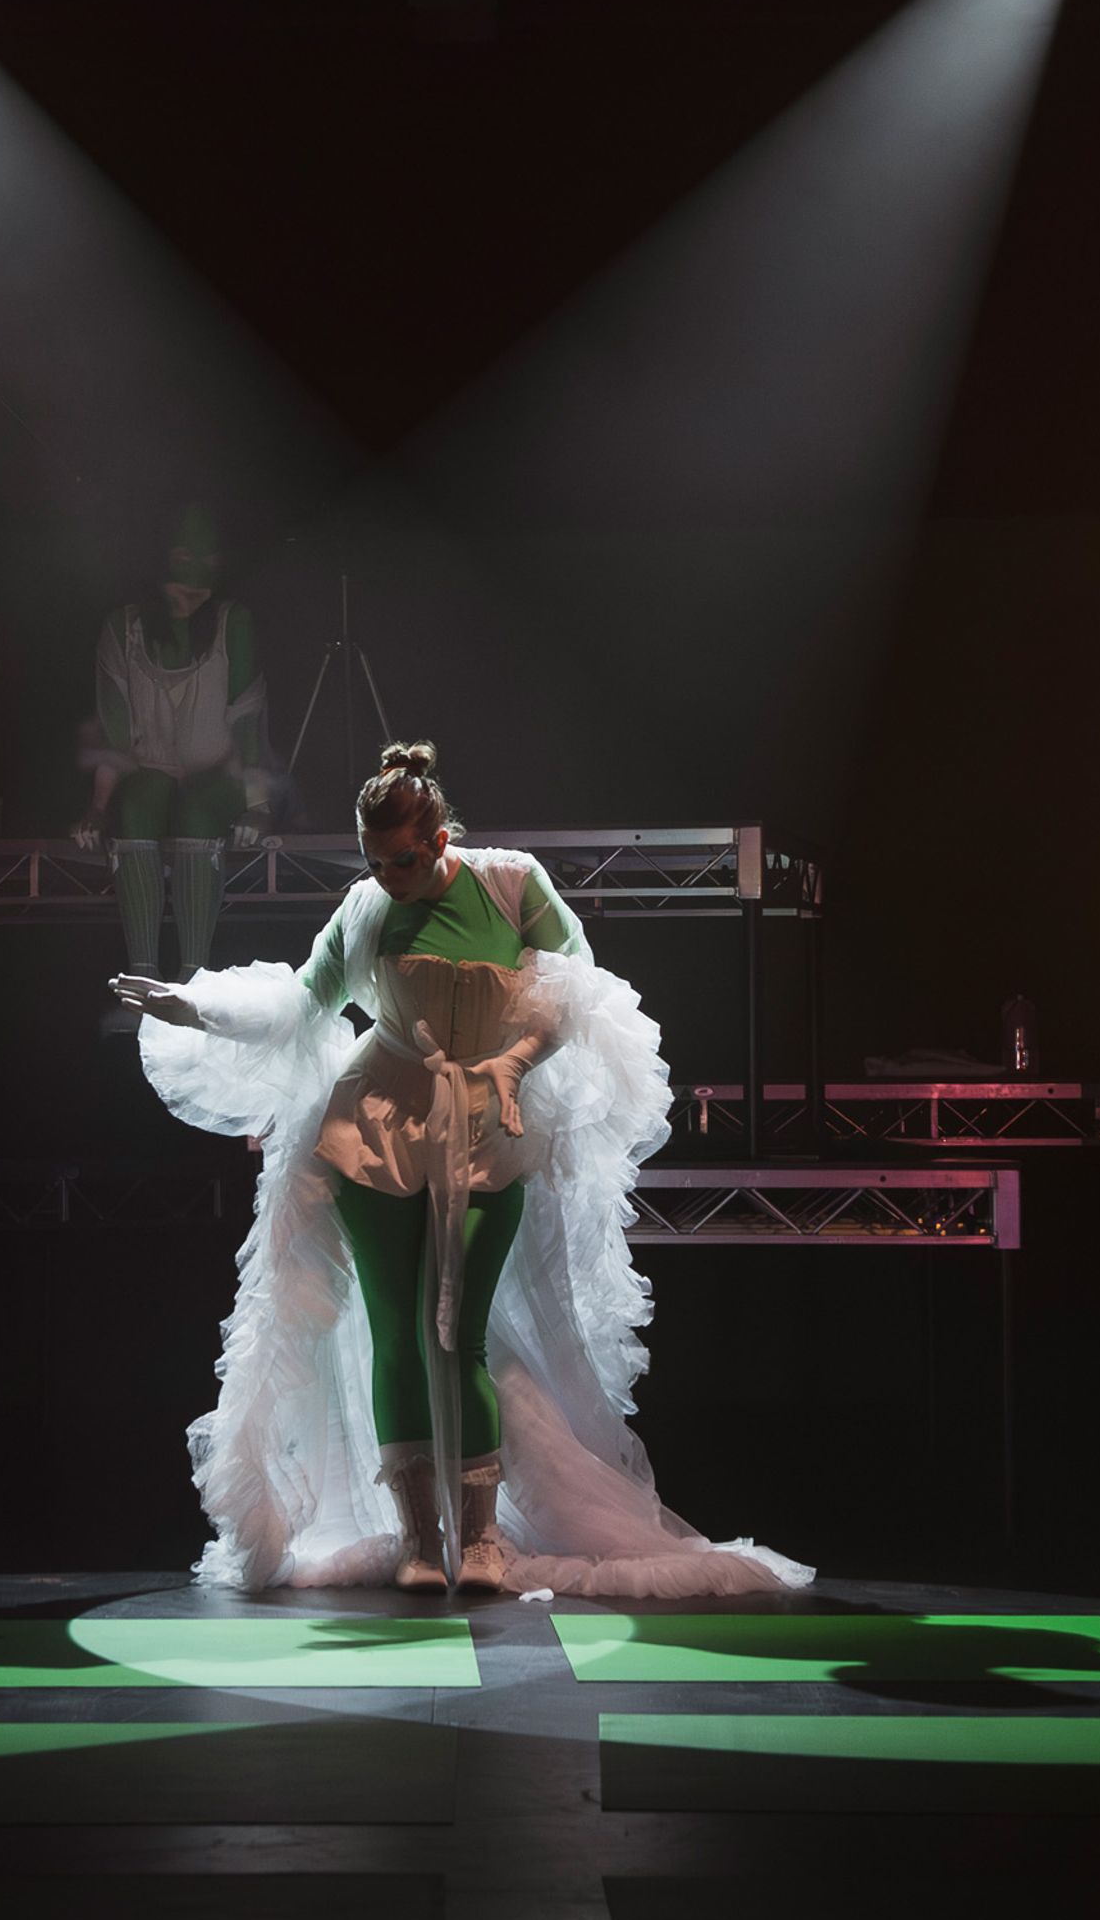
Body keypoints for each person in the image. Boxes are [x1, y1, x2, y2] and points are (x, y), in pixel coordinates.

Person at [111, 740, 808, 1600]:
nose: (388, 876)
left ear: (440, 837)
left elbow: (578, 988)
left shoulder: (512, 883)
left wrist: (514, 1060)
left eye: (402, 859)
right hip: (377, 1119)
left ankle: (479, 1537)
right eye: (372, 861)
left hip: (486, 1121)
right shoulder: (366, 908)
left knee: (458, 1333)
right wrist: (199, 1007)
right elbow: (304, 1000)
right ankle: (416, 1534)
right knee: (400, 1329)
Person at [73, 505, 275, 1026]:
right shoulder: (123, 628)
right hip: (151, 767)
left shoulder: (234, 624)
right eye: (183, 556)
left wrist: (258, 806)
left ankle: (193, 983)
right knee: (140, 804)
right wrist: (98, 808)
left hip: (218, 771)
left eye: (205, 559)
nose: (193, 571)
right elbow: (115, 734)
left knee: (196, 811)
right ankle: (141, 978)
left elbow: (248, 722)